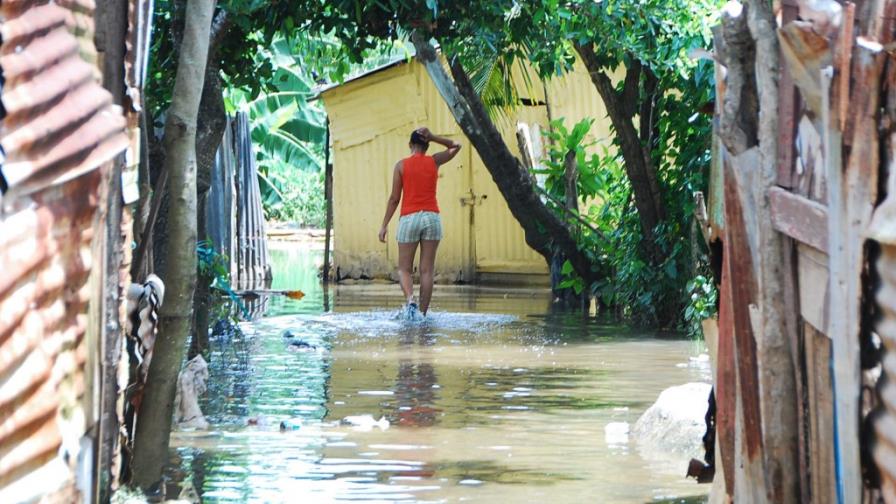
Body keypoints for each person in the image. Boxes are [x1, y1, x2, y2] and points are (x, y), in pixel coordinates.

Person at [378, 127, 461, 317]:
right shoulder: (434, 161)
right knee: (427, 270)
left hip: (409, 218)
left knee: (404, 269)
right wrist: (434, 136)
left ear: (410, 145)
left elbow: (394, 199)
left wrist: (384, 225)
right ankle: (422, 315)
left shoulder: (401, 166)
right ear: (427, 145)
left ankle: (410, 300)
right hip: (432, 217)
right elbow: (456, 146)